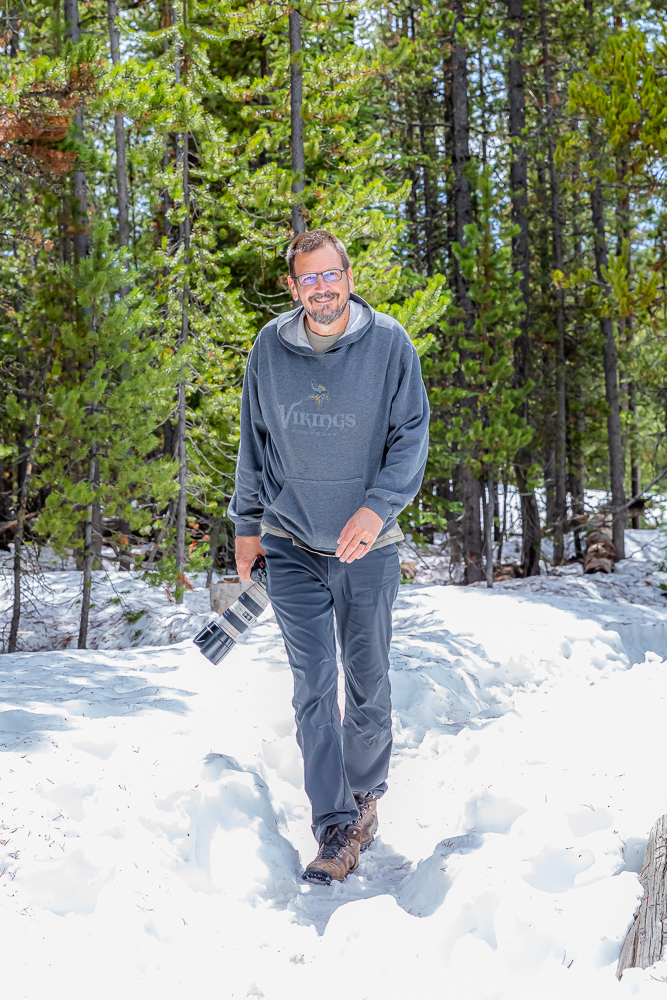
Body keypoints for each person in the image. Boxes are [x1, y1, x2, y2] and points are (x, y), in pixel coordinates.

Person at [228, 229, 429, 885]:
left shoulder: (389, 344)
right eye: (307, 279)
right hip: (290, 542)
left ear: (348, 276)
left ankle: (365, 796)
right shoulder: (270, 347)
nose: (321, 288)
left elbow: (409, 439)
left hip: (367, 547)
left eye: (330, 275)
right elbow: (254, 443)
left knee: (367, 687)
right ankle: (334, 825)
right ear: (293, 288)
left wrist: (376, 509)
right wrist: (247, 524)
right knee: (313, 688)